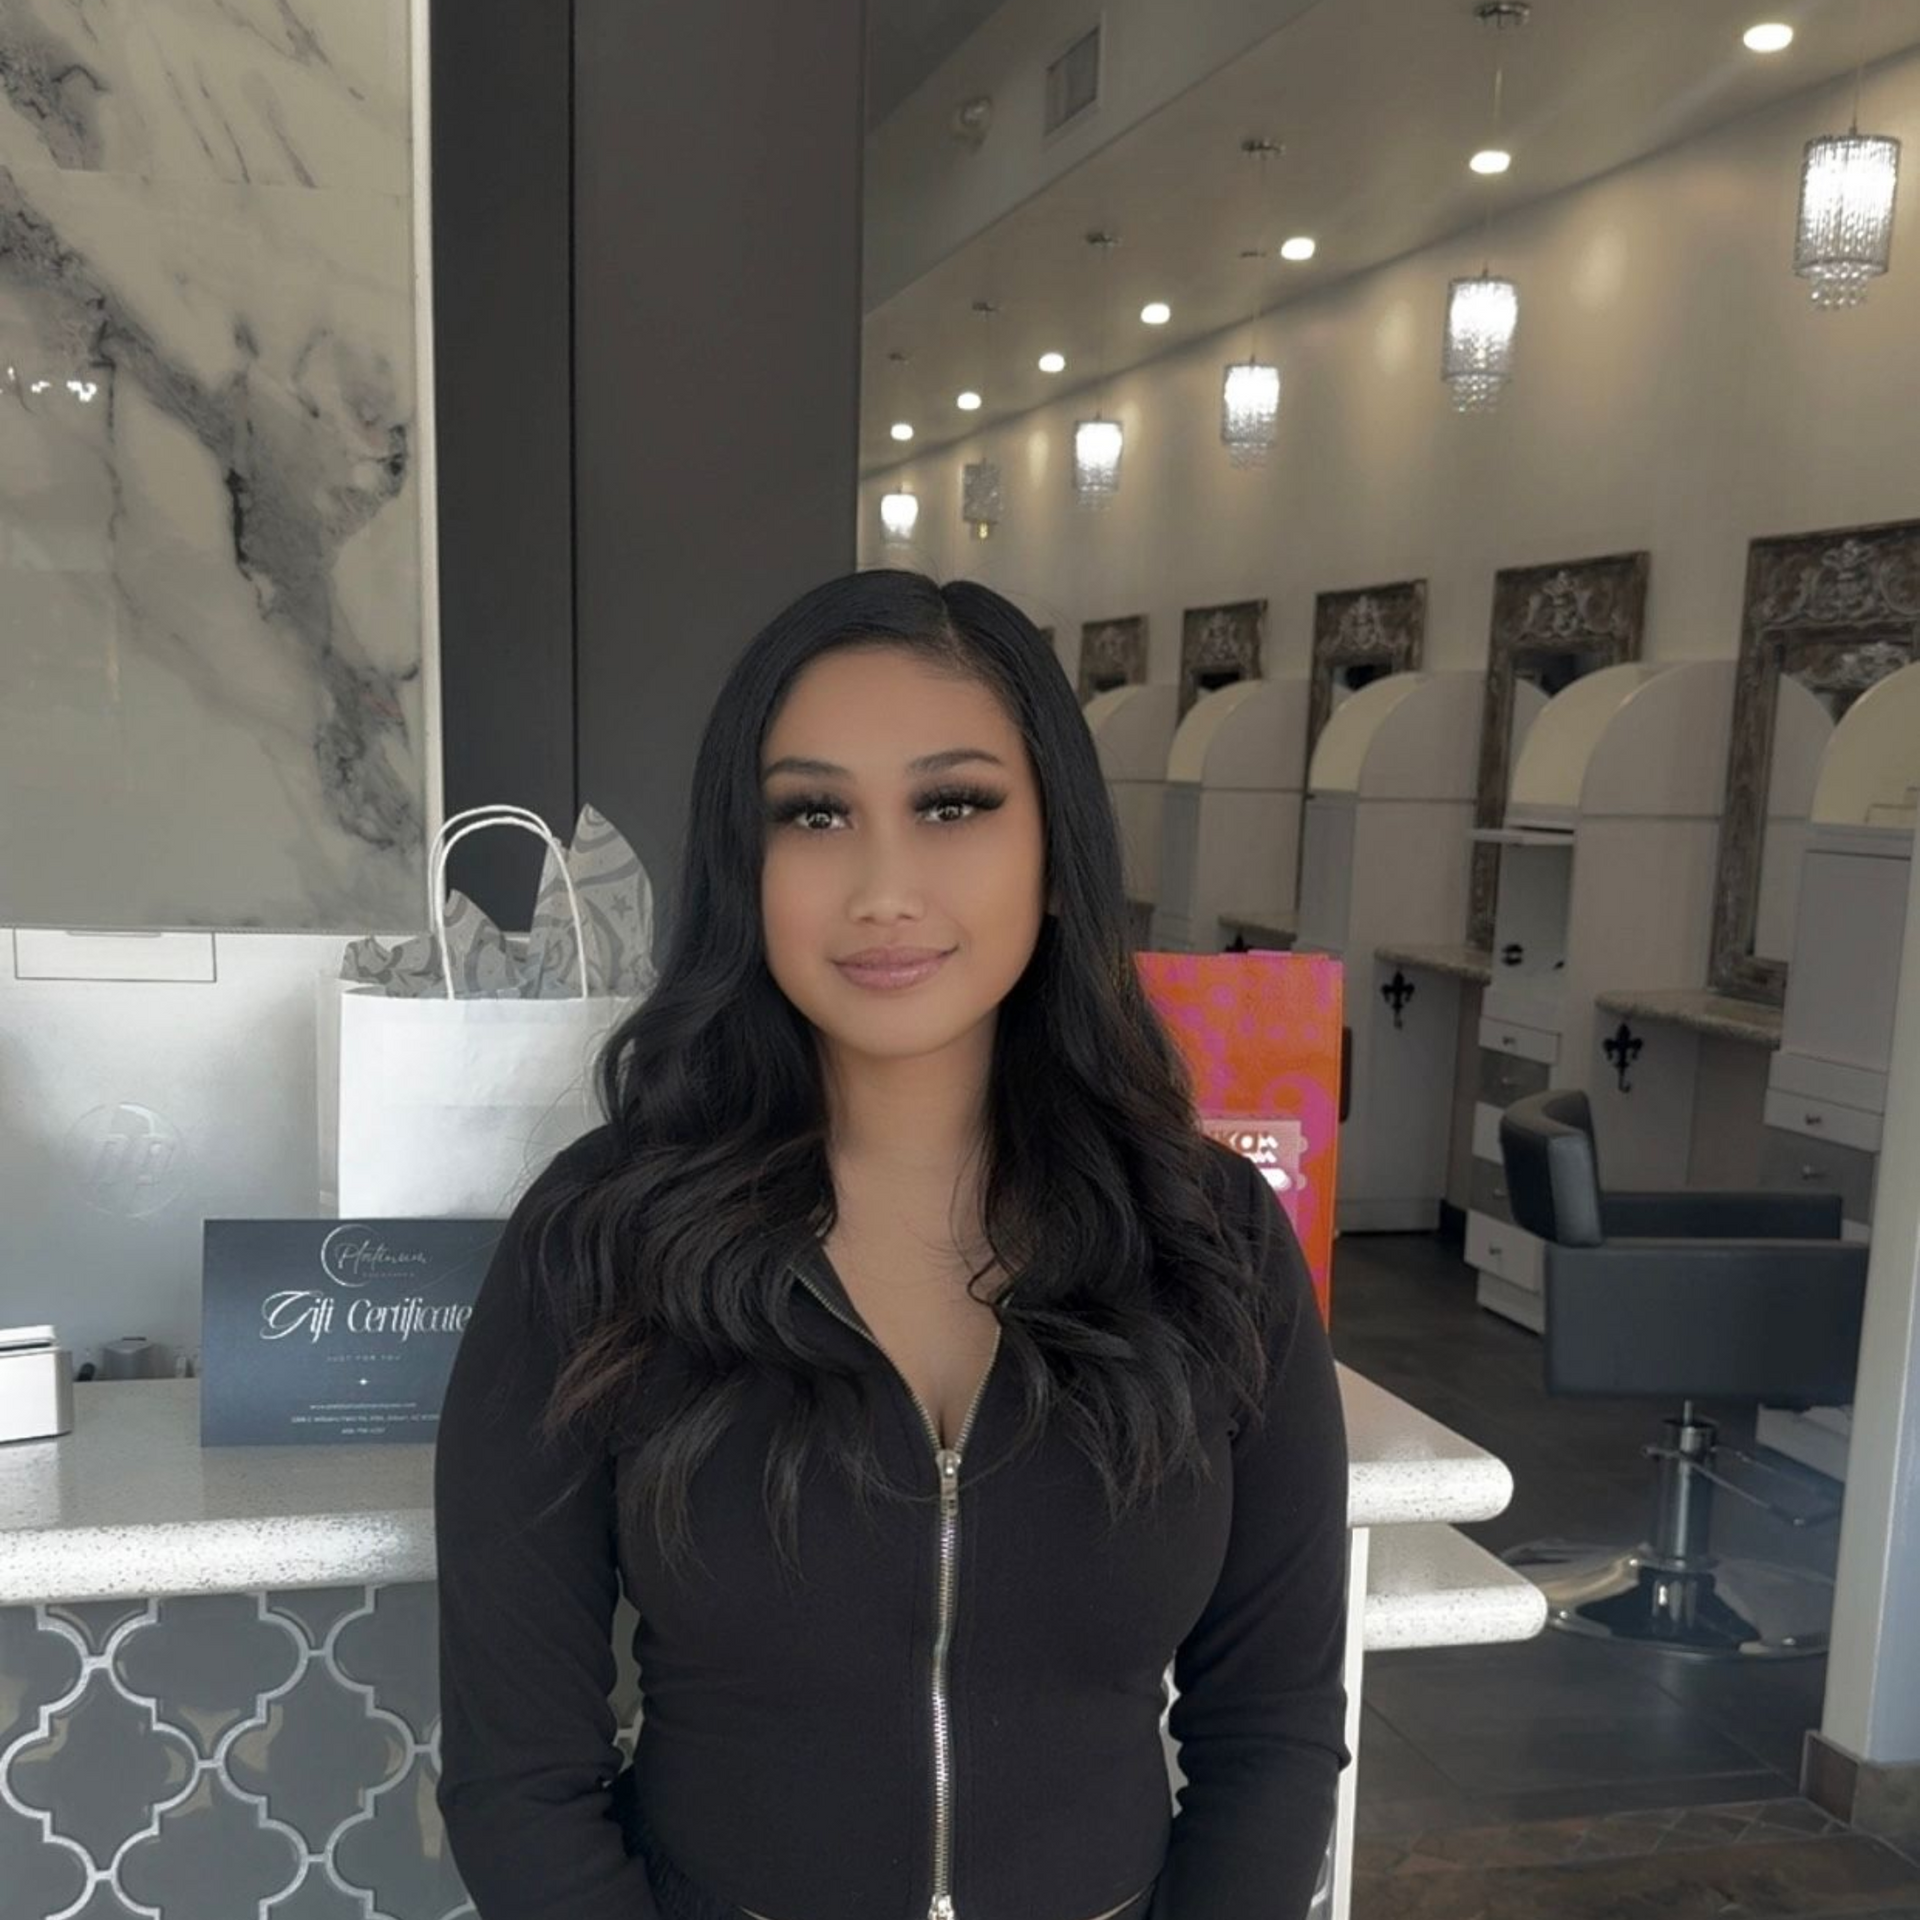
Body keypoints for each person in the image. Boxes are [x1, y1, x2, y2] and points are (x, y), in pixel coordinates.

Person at [432, 569, 1351, 1920]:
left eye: (954, 804)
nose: (883, 886)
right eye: (814, 813)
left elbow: (1270, 1732)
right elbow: (517, 1777)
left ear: (1056, 855)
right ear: (747, 867)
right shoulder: (601, 1242)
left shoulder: (1206, 1237)